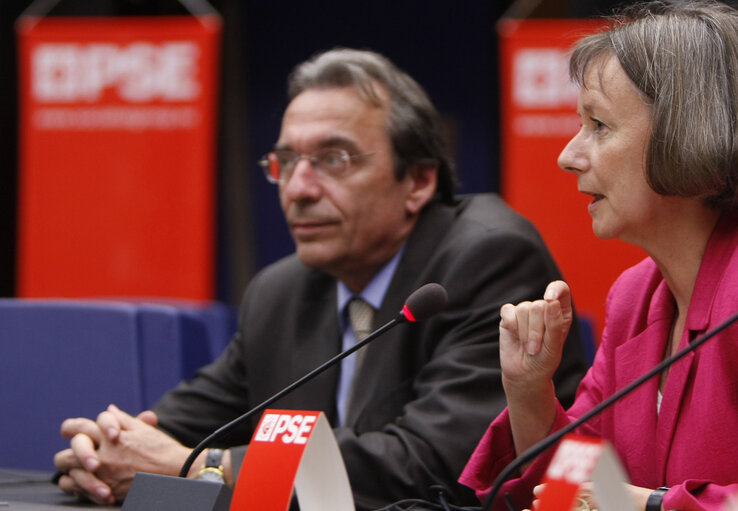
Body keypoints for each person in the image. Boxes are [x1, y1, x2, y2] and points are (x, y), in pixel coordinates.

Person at [53, 48, 589, 510]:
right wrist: (106, 449)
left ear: (420, 180)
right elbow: (179, 428)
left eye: (333, 159)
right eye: (286, 161)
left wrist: (205, 467)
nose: (298, 188)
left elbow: (433, 464)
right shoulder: (282, 290)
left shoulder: (487, 259)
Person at [459, 2, 738, 510]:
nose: (568, 156)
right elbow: (575, 487)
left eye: (599, 126)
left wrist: (651, 507)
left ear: (688, 135)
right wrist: (529, 391)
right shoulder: (635, 296)